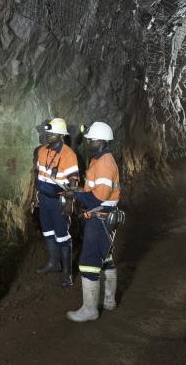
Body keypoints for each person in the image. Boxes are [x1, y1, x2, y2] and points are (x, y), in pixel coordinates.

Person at [63, 121, 121, 322]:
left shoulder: (104, 163)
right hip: (104, 218)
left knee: (89, 262)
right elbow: (96, 190)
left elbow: (98, 197)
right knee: (105, 259)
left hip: (99, 219)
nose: (87, 142)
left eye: (91, 140)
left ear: (102, 141)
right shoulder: (99, 160)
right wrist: (80, 190)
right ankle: (109, 301)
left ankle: (90, 310)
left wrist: (76, 195)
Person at [33, 117, 80, 288]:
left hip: (59, 200)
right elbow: (38, 174)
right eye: (48, 132)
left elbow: (73, 182)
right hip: (44, 199)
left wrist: (69, 203)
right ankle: (54, 263)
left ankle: (67, 274)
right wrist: (35, 195)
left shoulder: (68, 154)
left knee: (62, 235)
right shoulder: (41, 151)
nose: (48, 135)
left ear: (61, 135)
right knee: (47, 231)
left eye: (52, 133)